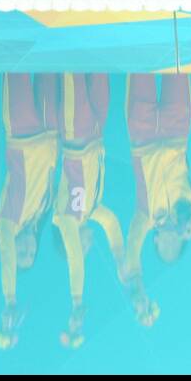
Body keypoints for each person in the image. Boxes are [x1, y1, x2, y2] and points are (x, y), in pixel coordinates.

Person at [122, 74, 191, 326]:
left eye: (166, 247)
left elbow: (131, 250)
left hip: (142, 132)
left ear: (156, 240)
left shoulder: (145, 216)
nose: (171, 241)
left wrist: (140, 293)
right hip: (176, 129)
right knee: (177, 61)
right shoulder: (187, 207)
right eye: (177, 245)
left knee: (141, 59)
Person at [50, 73, 128, 348]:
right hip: (96, 131)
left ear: (69, 244)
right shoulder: (93, 211)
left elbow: (75, 264)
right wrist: (120, 259)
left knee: (72, 66)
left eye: (81, 248)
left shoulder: (64, 219)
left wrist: (77, 303)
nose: (86, 246)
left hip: (75, 132)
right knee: (97, 66)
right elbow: (113, 224)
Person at [0, 73, 60, 349]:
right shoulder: (45, 211)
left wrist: (10, 299)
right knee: (50, 60)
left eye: (22, 253)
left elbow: (6, 257)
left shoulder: (5, 222)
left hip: (21, 130)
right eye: (31, 253)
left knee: (15, 60)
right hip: (50, 130)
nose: (27, 249)